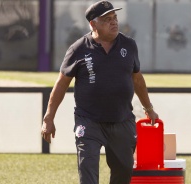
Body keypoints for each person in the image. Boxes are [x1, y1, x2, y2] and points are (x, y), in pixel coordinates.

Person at [41, 1, 159, 183]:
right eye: (107, 20)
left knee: (124, 172)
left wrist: (149, 108)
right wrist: (49, 118)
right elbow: (61, 84)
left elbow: (137, 79)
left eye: (115, 18)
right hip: (88, 121)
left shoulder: (129, 45)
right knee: (88, 173)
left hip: (122, 120)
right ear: (93, 24)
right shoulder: (78, 49)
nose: (114, 23)